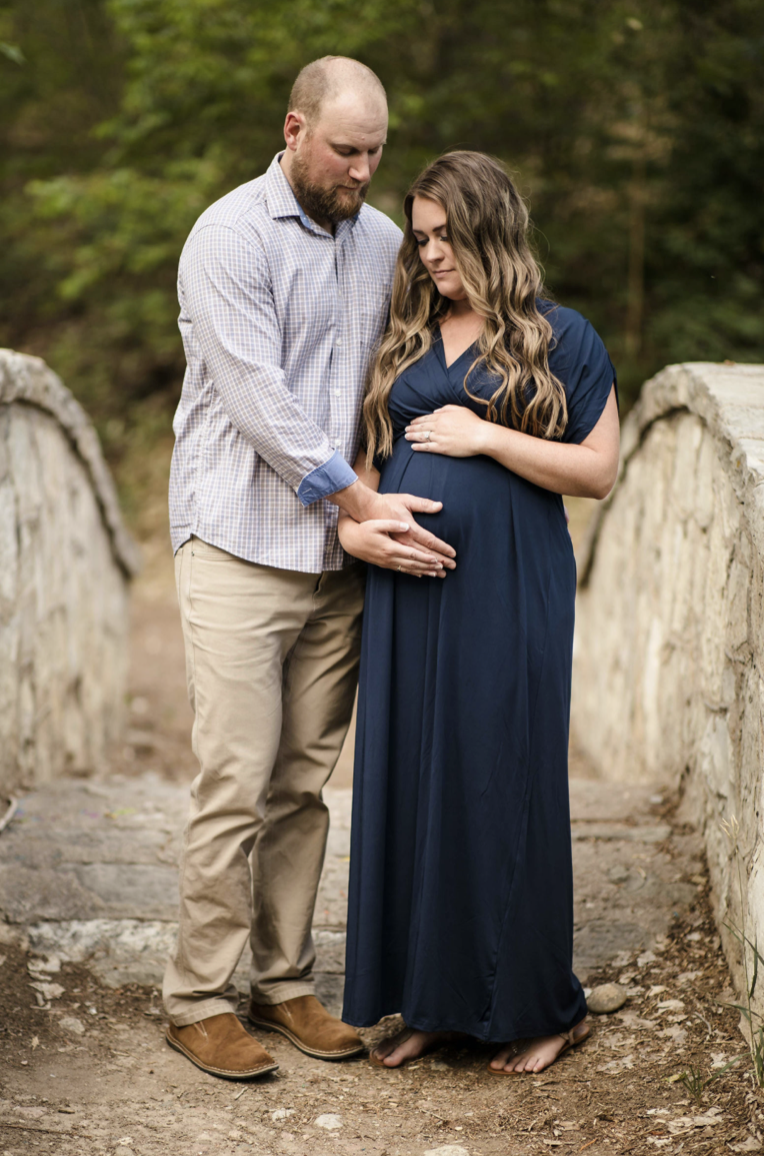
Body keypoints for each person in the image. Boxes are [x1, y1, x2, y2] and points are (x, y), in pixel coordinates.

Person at [163, 56, 456, 1081]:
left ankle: (281, 982)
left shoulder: (382, 243)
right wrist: (362, 503)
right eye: (346, 150)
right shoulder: (229, 235)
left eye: (375, 151)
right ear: (294, 131)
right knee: (234, 776)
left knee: (300, 783)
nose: (364, 171)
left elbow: (388, 380)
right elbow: (260, 401)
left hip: (339, 559)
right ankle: (197, 995)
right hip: (240, 542)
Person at [338, 150, 620, 1074]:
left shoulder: (561, 337)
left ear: (488, 226)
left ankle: (543, 1005)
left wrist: (485, 436)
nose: (430, 255)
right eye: (419, 239)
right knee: (417, 778)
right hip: (408, 594)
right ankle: (433, 1001)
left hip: (512, 587)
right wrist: (360, 536)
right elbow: (366, 480)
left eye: (445, 236)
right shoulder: (405, 342)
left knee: (507, 773)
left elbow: (597, 471)